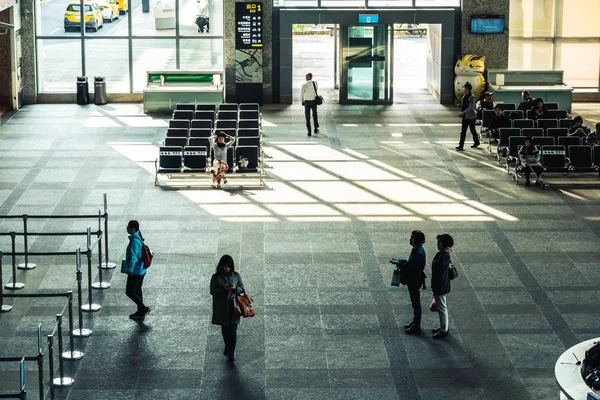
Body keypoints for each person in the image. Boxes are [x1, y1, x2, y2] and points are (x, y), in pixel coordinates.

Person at [210, 255, 245, 362]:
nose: (226, 268)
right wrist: (223, 289)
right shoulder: (215, 277)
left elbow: (242, 290)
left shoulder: (236, 276)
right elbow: (212, 291)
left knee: (233, 330)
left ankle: (231, 352)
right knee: (225, 330)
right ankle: (227, 346)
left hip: (234, 307)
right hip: (222, 308)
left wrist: (235, 288)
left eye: (228, 266)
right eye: (224, 266)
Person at [400, 231, 427, 335]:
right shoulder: (416, 249)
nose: (410, 239)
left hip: (414, 280)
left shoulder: (418, 252)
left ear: (416, 240)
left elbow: (413, 267)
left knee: (416, 302)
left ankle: (417, 325)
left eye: (412, 237)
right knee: (415, 302)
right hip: (414, 279)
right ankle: (415, 322)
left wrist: (402, 265)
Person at [123, 220, 150, 320]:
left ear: (133, 229)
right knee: (137, 290)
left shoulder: (134, 240)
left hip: (135, 271)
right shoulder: (138, 238)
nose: (126, 228)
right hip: (141, 270)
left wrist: (130, 269)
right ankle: (140, 312)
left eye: (128, 227)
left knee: (129, 291)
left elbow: (134, 256)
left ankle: (143, 308)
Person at [431, 234, 453, 339]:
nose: (437, 244)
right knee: (441, 308)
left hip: (440, 286)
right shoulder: (442, 254)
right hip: (439, 286)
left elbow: (439, 271)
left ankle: (444, 330)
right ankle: (443, 327)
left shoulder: (444, 256)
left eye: (439, 242)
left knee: (442, 308)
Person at [456, 82, 479, 151]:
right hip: (465, 117)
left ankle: (476, 142)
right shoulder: (464, 96)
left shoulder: (472, 97)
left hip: (471, 117)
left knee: (472, 130)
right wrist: (460, 106)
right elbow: (465, 105)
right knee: (463, 131)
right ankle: (461, 145)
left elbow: (471, 108)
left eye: (465, 88)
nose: (464, 89)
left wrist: (462, 113)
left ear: (468, 89)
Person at [300, 72, 320, 136]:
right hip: (314, 101)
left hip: (307, 102)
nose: (305, 78)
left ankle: (309, 131)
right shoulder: (315, 83)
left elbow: (302, 95)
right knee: (315, 115)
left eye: (306, 77)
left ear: (308, 77)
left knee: (307, 117)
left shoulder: (304, 85)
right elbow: (316, 89)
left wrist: (302, 101)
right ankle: (316, 128)